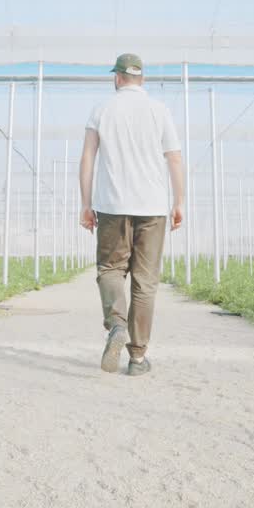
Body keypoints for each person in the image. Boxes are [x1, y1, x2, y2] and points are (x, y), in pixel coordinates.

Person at [78, 53, 185, 376]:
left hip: (112, 205)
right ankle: (137, 358)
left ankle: (116, 324)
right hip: (152, 207)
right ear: (142, 79)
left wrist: (86, 203)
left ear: (117, 77)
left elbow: (87, 159)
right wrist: (179, 201)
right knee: (145, 281)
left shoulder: (102, 109)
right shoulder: (160, 110)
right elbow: (175, 159)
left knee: (110, 268)